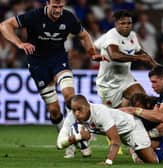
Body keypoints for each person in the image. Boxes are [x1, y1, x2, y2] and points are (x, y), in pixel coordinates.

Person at [0, 0, 106, 158]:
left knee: (70, 97)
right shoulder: (34, 15)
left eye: (61, 7)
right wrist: (19, 43)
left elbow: (84, 35)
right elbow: (4, 25)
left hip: (59, 60)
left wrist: (92, 53)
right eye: (55, 7)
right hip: (37, 64)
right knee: (55, 111)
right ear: (47, 4)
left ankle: (81, 134)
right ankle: (69, 140)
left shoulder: (68, 17)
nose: (58, 10)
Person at [57, 95, 160, 165]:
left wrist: (108, 161)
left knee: (152, 161)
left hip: (132, 127)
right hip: (120, 131)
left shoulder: (100, 113)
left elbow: (115, 141)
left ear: (88, 106)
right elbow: (59, 144)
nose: (77, 113)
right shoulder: (72, 116)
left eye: (79, 109)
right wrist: (78, 137)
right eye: (74, 110)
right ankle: (134, 149)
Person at [94, 10, 158, 108]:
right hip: (108, 84)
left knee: (144, 102)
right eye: (122, 23)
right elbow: (114, 55)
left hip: (126, 79)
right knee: (116, 115)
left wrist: (156, 66)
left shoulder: (132, 35)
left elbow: (141, 52)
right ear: (116, 24)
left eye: (129, 23)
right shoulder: (112, 35)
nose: (126, 25)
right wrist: (138, 58)